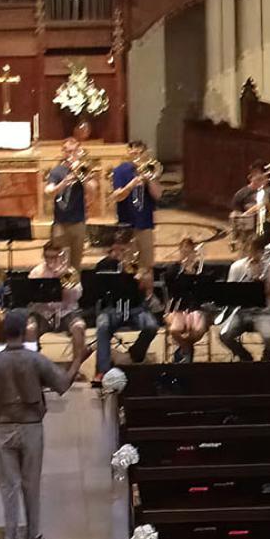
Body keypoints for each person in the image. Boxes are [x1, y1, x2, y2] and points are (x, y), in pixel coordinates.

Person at [0, 309, 82, 539]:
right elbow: (62, 384)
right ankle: (34, 538)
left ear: (4, 332)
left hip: (3, 428)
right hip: (32, 427)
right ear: (25, 331)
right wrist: (78, 360)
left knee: (9, 486)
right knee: (31, 484)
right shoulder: (35, 359)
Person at [91, 229, 160, 380]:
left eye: (122, 249)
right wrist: (118, 269)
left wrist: (141, 278)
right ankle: (103, 370)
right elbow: (99, 291)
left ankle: (134, 356)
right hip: (113, 309)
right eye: (116, 249)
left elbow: (143, 293)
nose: (119, 252)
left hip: (135, 309)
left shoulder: (136, 266)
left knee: (152, 325)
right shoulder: (104, 265)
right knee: (102, 325)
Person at [218, 234, 270, 363]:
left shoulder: (269, 269)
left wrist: (267, 291)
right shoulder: (237, 267)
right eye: (252, 250)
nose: (254, 254)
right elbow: (229, 293)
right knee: (224, 334)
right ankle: (245, 357)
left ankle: (266, 359)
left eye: (258, 251)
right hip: (241, 312)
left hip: (262, 313)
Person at [26, 241, 89, 365]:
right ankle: (33, 366)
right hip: (43, 313)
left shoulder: (69, 272)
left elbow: (77, 295)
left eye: (54, 257)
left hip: (66, 313)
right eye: (47, 257)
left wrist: (63, 279)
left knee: (79, 327)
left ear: (60, 256)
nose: (50, 261)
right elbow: (30, 296)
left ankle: (75, 367)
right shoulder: (36, 272)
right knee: (29, 329)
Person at [109, 140, 160, 269]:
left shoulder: (150, 169)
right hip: (127, 224)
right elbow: (117, 196)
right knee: (128, 265)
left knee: (147, 265)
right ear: (128, 153)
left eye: (140, 153)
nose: (136, 156)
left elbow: (158, 195)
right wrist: (131, 185)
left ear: (145, 154)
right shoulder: (120, 171)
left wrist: (149, 179)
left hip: (145, 223)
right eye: (133, 153)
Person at [163, 234, 212, 362]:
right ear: (180, 252)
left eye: (189, 252)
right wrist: (182, 271)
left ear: (194, 253)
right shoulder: (173, 270)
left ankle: (183, 351)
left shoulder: (201, 270)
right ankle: (187, 350)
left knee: (198, 330)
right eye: (184, 252)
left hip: (197, 307)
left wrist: (195, 274)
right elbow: (171, 288)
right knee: (175, 330)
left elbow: (207, 290)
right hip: (178, 308)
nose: (186, 255)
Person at [43, 138, 88, 268]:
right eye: (68, 151)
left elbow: (93, 190)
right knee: (58, 265)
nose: (71, 155)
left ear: (79, 151)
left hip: (78, 223)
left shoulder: (83, 169)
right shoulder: (57, 171)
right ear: (63, 152)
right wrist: (63, 183)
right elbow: (48, 192)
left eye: (74, 151)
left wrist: (81, 176)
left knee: (76, 266)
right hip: (60, 224)